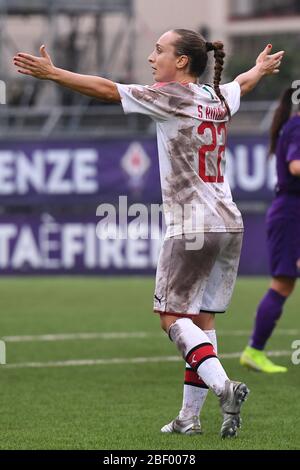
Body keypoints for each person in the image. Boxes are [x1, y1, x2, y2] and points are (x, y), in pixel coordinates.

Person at [13, 29, 284, 438]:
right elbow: (241, 83)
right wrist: (259, 69)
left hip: (193, 225)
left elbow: (107, 90)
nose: (151, 57)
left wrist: (54, 74)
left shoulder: (170, 97)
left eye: (159, 50)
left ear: (181, 62)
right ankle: (189, 418)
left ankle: (223, 386)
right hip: (230, 222)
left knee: (171, 317)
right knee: (201, 319)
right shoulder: (216, 97)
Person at [240, 88, 300, 373]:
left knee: (284, 284)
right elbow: (296, 166)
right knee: (282, 283)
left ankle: (255, 350)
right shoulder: (298, 125)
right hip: (291, 214)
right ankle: (254, 350)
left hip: (291, 212)